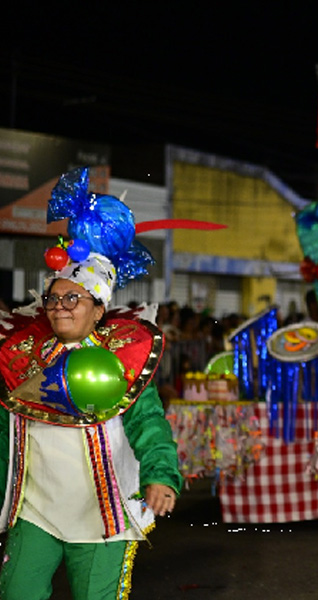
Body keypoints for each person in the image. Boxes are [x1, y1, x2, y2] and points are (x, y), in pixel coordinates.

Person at [0, 171, 182, 599]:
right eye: (53, 298)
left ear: (99, 309)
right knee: (17, 593)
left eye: (73, 299)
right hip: (35, 509)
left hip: (102, 513)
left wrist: (161, 475)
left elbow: (149, 423)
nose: (59, 308)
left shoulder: (124, 358)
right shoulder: (21, 355)